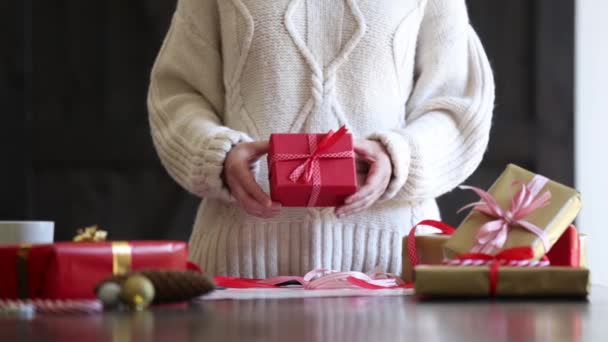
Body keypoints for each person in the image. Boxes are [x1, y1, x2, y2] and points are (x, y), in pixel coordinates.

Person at [147, 0, 494, 278]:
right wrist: (218, 156)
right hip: (239, 266)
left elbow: (458, 104)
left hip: (391, 266)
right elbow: (177, 93)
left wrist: (397, 157)